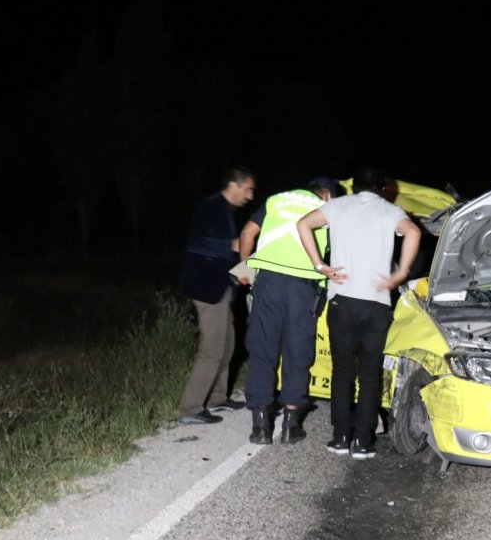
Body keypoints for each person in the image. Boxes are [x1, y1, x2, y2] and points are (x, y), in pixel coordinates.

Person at [297, 166, 421, 460]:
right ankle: (363, 443)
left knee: (342, 373)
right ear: (381, 188)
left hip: (342, 301)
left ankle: (340, 438)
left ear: (354, 186)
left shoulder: (337, 206)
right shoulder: (391, 211)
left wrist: (320, 266)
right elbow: (414, 232)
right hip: (377, 303)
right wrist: (400, 273)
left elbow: (303, 225)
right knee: (369, 375)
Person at [240, 177, 342, 445]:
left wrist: (245, 272)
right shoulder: (326, 209)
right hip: (302, 288)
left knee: (262, 350)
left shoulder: (276, 200)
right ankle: (289, 426)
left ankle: (260, 427)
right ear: (327, 195)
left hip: (268, 283)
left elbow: (247, 233)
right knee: (297, 353)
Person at [176, 167, 256, 424]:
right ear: (235, 185)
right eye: (249, 189)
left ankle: (217, 398)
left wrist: (240, 274)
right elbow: (196, 244)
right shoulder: (210, 207)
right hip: (206, 289)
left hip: (221, 287)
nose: (251, 196)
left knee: (228, 343)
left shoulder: (225, 210)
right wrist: (231, 245)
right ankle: (190, 409)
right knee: (212, 349)